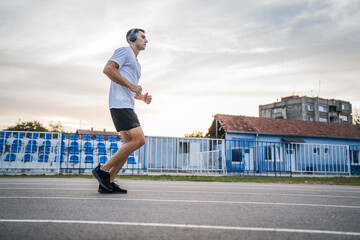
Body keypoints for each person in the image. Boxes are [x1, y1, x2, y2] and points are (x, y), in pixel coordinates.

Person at [92, 28, 151, 194]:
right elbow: (108, 69)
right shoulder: (124, 51)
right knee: (139, 140)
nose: (146, 40)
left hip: (126, 104)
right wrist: (132, 86)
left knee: (128, 145)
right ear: (132, 38)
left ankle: (107, 183)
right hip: (119, 104)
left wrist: (141, 97)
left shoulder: (137, 64)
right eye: (143, 37)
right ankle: (102, 170)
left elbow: (129, 88)